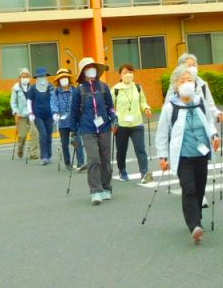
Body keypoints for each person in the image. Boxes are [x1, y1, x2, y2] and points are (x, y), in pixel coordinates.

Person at [157, 66, 221, 243]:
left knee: (200, 188)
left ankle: (197, 219)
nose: (186, 84)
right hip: (182, 156)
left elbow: (209, 122)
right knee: (189, 188)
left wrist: (214, 135)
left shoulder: (201, 101)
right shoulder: (170, 107)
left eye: (189, 80)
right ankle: (194, 225)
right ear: (176, 86)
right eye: (182, 81)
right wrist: (163, 156)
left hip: (201, 153)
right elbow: (162, 133)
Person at [75, 57, 116, 205]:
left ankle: (106, 188)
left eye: (93, 67)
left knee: (105, 159)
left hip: (104, 127)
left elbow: (110, 107)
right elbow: (74, 113)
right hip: (87, 129)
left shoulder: (104, 87)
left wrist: (114, 118)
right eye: (88, 67)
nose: (91, 70)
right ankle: (95, 191)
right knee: (94, 159)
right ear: (83, 72)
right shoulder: (78, 90)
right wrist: (74, 133)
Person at [112, 63, 154, 183]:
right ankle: (122, 170)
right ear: (120, 75)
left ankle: (144, 172)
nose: (128, 75)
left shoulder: (137, 87)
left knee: (140, 148)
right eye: (125, 72)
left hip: (137, 123)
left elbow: (142, 102)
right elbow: (110, 107)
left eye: (130, 72)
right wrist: (112, 121)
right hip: (121, 125)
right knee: (121, 150)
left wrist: (146, 108)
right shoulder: (115, 90)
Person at [51, 67, 86, 170]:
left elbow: (80, 103)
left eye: (65, 77)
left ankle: (81, 162)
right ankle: (67, 163)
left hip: (74, 121)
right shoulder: (56, 92)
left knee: (77, 141)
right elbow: (53, 103)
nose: (64, 79)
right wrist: (55, 113)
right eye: (61, 78)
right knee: (65, 143)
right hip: (62, 122)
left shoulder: (75, 90)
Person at [26, 67, 55, 165]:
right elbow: (29, 101)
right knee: (43, 135)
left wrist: (56, 112)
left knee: (49, 136)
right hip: (38, 115)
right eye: (40, 76)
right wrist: (30, 113)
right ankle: (44, 156)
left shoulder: (50, 86)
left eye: (44, 76)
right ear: (37, 77)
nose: (42, 78)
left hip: (49, 115)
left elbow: (54, 99)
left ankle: (49, 155)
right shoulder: (33, 88)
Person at [10, 67, 38, 161]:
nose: (25, 78)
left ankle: (33, 153)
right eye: (23, 76)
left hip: (31, 114)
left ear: (29, 77)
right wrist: (15, 111)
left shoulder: (33, 88)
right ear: (20, 77)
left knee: (35, 133)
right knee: (22, 135)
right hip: (21, 115)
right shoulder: (16, 88)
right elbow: (13, 102)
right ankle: (20, 149)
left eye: (26, 76)